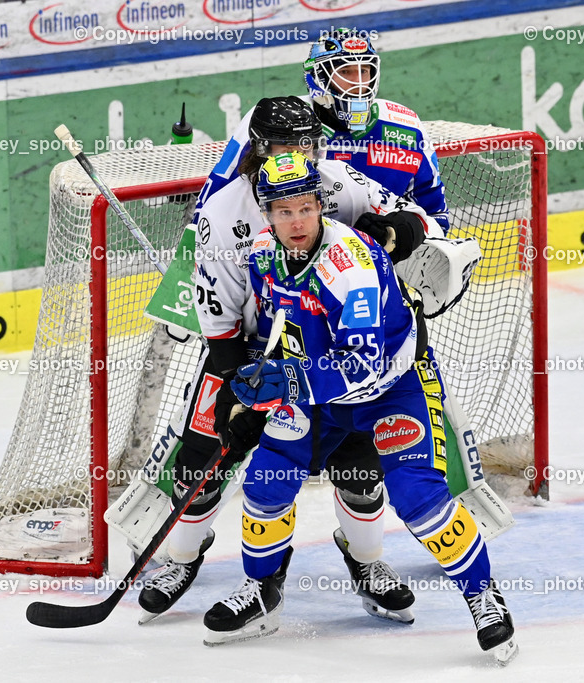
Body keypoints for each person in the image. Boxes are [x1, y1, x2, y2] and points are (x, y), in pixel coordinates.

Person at [202, 152, 517, 666]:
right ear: (267, 214)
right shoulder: (261, 255)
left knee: (419, 499)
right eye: (283, 211)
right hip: (316, 394)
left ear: (321, 206)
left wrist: (285, 383)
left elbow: (364, 363)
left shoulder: (349, 266)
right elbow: (282, 331)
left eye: (305, 207)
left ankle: (483, 597)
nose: (295, 221)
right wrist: (247, 399)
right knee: (264, 483)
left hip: (390, 387)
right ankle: (261, 592)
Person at [137, 96, 438, 624]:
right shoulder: (222, 214)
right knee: (202, 458)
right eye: (285, 144)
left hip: (330, 353)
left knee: (360, 466)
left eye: (308, 143)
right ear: (257, 151)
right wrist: (240, 389)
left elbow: (419, 220)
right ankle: (184, 558)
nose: (300, 154)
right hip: (250, 353)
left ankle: (366, 563)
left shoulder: (335, 183)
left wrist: (398, 229)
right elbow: (220, 321)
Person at [196, 28, 449, 232]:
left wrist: (401, 234)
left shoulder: (405, 126)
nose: (359, 83)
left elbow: (436, 217)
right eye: (346, 72)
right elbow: (216, 193)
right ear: (318, 79)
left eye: (365, 71)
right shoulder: (274, 122)